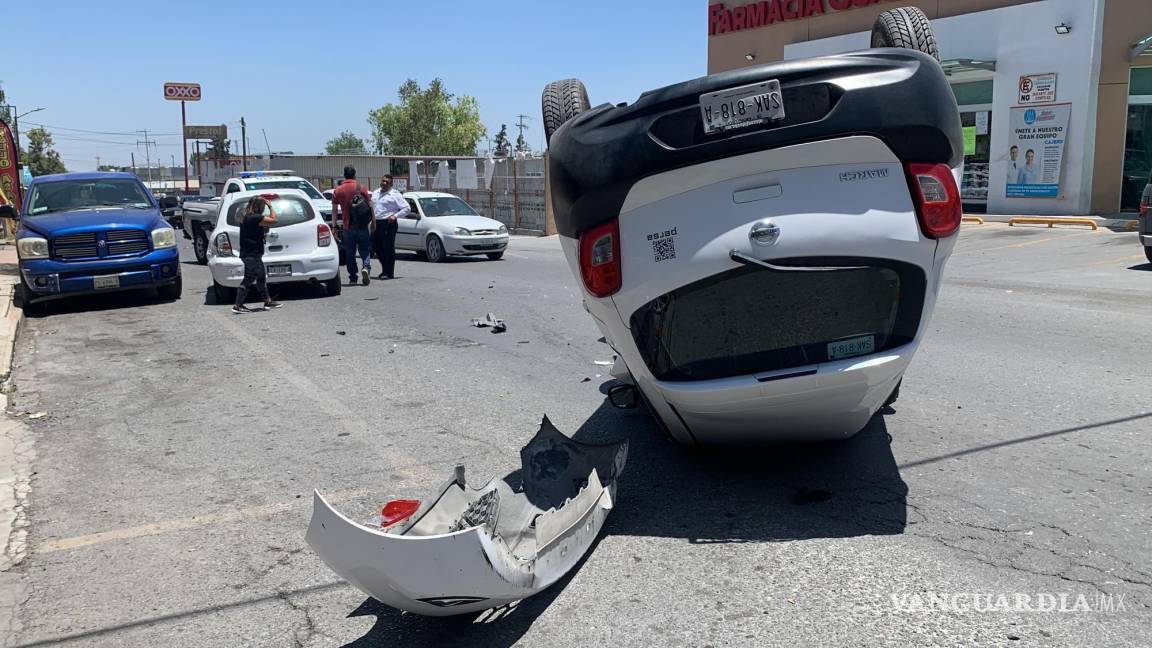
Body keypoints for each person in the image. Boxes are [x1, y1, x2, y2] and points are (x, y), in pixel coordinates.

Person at [233, 195, 283, 314]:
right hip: (252, 254)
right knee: (249, 279)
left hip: (249, 253)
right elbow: (274, 220)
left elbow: (254, 231)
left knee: (261, 278)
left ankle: (268, 301)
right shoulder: (255, 217)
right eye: (263, 206)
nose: (264, 208)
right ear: (258, 207)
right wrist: (271, 207)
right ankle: (238, 306)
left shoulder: (245, 216)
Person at [331, 165, 374, 285]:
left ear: (344, 175)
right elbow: (370, 206)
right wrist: (373, 222)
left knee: (350, 252)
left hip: (347, 226)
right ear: (355, 174)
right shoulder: (361, 187)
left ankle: (353, 278)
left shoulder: (338, 190)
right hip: (362, 225)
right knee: (365, 248)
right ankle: (366, 267)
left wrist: (334, 227)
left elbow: (334, 210)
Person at [371, 174, 410, 279]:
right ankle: (385, 269)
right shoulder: (375, 193)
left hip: (388, 223)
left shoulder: (395, 194)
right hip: (376, 223)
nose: (384, 183)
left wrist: (395, 216)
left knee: (388, 248)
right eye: (383, 181)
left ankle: (388, 272)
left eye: (387, 182)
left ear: (391, 184)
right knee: (377, 247)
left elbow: (407, 208)